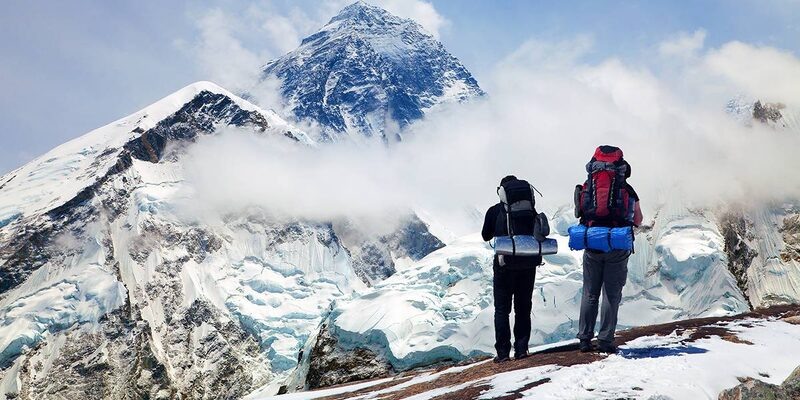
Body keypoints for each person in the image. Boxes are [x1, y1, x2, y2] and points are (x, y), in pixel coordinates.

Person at [574, 145, 643, 354]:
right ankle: (604, 340)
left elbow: (579, 212)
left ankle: (585, 339)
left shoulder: (587, 186)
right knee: (611, 294)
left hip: (593, 243)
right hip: (617, 245)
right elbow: (638, 220)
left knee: (589, 293)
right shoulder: (627, 190)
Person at [481, 175, 541, 363]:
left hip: (504, 265)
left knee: (502, 310)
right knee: (523, 307)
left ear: (502, 192)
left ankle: (503, 353)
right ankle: (522, 349)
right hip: (527, 264)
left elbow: (485, 235)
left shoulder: (494, 211)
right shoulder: (530, 210)